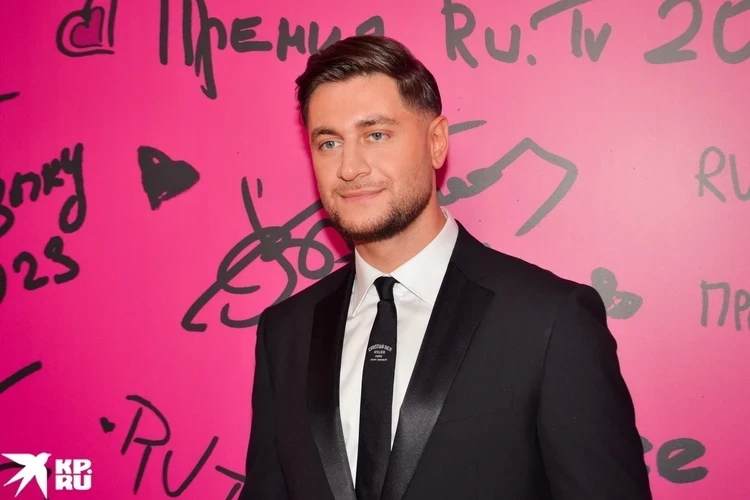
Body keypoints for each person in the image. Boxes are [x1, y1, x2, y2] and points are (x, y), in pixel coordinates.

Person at [239, 35, 652, 500]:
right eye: (329, 142)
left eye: (376, 135)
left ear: (436, 142)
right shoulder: (286, 332)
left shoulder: (550, 320)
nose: (350, 167)